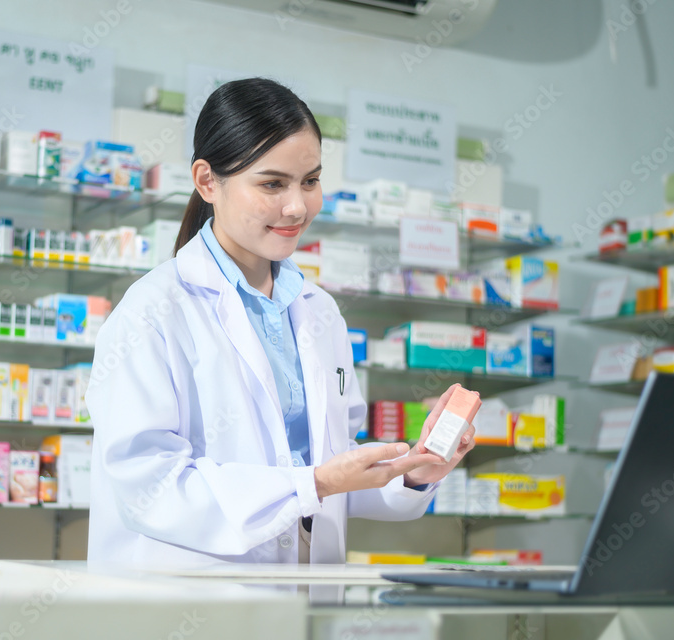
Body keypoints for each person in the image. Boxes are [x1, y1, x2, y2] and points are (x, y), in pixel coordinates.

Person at [87, 78, 477, 567]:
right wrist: (315, 483)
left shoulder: (318, 311)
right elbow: (148, 487)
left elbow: (335, 467)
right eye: (273, 184)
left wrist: (416, 468)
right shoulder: (152, 311)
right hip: (189, 602)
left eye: (310, 181)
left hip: (306, 589)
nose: (298, 206)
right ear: (208, 181)